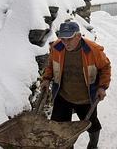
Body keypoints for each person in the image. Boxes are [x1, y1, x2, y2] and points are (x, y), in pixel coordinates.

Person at [41, 21, 111, 149]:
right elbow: (51, 65)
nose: (66, 43)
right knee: (59, 127)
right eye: (63, 38)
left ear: (78, 36)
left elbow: (105, 67)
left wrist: (102, 87)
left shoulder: (92, 50)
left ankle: (93, 145)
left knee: (91, 125)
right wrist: (46, 78)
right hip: (63, 96)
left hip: (85, 98)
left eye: (69, 38)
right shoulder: (57, 48)